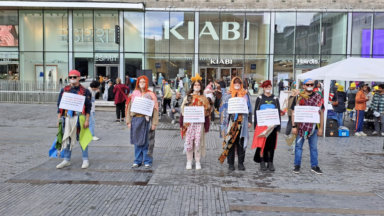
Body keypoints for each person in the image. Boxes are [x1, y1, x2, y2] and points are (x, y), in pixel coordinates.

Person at [56, 70, 92, 169]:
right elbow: (59, 106)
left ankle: (85, 159)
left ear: (79, 78)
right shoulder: (64, 90)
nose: (72, 79)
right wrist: (59, 119)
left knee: (83, 139)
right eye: (70, 77)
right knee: (67, 138)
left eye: (74, 77)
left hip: (80, 117)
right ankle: (66, 159)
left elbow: (88, 106)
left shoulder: (85, 91)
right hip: (67, 117)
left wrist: (87, 120)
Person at [218, 77, 252, 171]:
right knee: (230, 142)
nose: (237, 84)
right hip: (231, 122)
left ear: (241, 84)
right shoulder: (227, 95)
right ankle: (231, 163)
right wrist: (223, 125)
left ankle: (241, 163)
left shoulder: (246, 94)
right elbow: (223, 109)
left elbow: (250, 109)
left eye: (239, 83)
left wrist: (249, 121)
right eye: (235, 82)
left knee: (241, 142)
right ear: (232, 83)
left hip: (243, 122)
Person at [291, 78, 324, 175]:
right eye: (308, 84)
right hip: (300, 126)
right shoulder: (298, 97)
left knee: (313, 147)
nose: (309, 86)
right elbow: (293, 112)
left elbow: (321, 113)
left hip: (313, 127)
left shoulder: (318, 97)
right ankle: (297, 165)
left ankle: (314, 166)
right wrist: (293, 126)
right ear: (303, 86)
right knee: (298, 146)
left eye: (311, 85)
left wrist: (321, 128)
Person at [126, 76, 159, 169]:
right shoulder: (133, 94)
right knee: (137, 142)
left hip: (146, 120)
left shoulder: (151, 94)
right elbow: (128, 108)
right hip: (135, 120)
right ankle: (137, 161)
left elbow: (155, 109)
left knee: (146, 141)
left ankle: (147, 161)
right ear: (137, 83)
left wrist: (154, 123)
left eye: (144, 81)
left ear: (147, 83)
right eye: (140, 81)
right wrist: (128, 121)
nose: (142, 83)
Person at [180, 73, 211, 170]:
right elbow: (183, 110)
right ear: (192, 86)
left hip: (199, 123)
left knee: (198, 142)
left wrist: (207, 126)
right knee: (189, 141)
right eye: (195, 85)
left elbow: (208, 112)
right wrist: (181, 123)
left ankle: (197, 161)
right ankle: (189, 160)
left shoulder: (204, 98)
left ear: (200, 87)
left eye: (198, 85)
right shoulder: (188, 97)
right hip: (189, 123)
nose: (197, 86)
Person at [252, 80, 281, 171]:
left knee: (270, 145)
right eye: (266, 87)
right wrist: (256, 125)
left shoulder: (275, 99)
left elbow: (278, 113)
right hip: (261, 126)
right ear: (263, 88)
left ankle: (270, 162)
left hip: (272, 127)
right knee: (261, 144)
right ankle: (262, 162)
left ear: (271, 87)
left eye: (269, 87)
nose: (268, 88)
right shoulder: (259, 98)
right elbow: (256, 112)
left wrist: (278, 127)